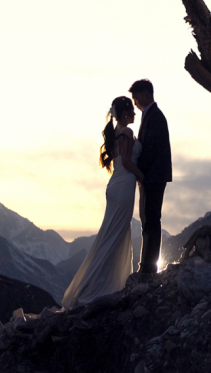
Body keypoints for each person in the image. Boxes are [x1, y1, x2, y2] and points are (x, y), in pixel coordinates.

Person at [62, 95, 144, 308]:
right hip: (124, 184)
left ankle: (101, 283)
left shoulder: (115, 134)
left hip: (115, 185)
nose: (135, 114)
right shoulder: (126, 132)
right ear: (125, 113)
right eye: (132, 111)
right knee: (115, 234)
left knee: (111, 233)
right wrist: (142, 177)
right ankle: (98, 288)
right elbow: (126, 161)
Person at [129, 79, 172, 276]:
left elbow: (152, 149)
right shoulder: (150, 116)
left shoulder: (155, 117)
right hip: (150, 176)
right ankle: (146, 265)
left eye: (136, 98)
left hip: (153, 176)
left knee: (152, 220)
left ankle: (148, 267)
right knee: (148, 220)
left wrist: (140, 172)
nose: (135, 103)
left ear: (146, 94)